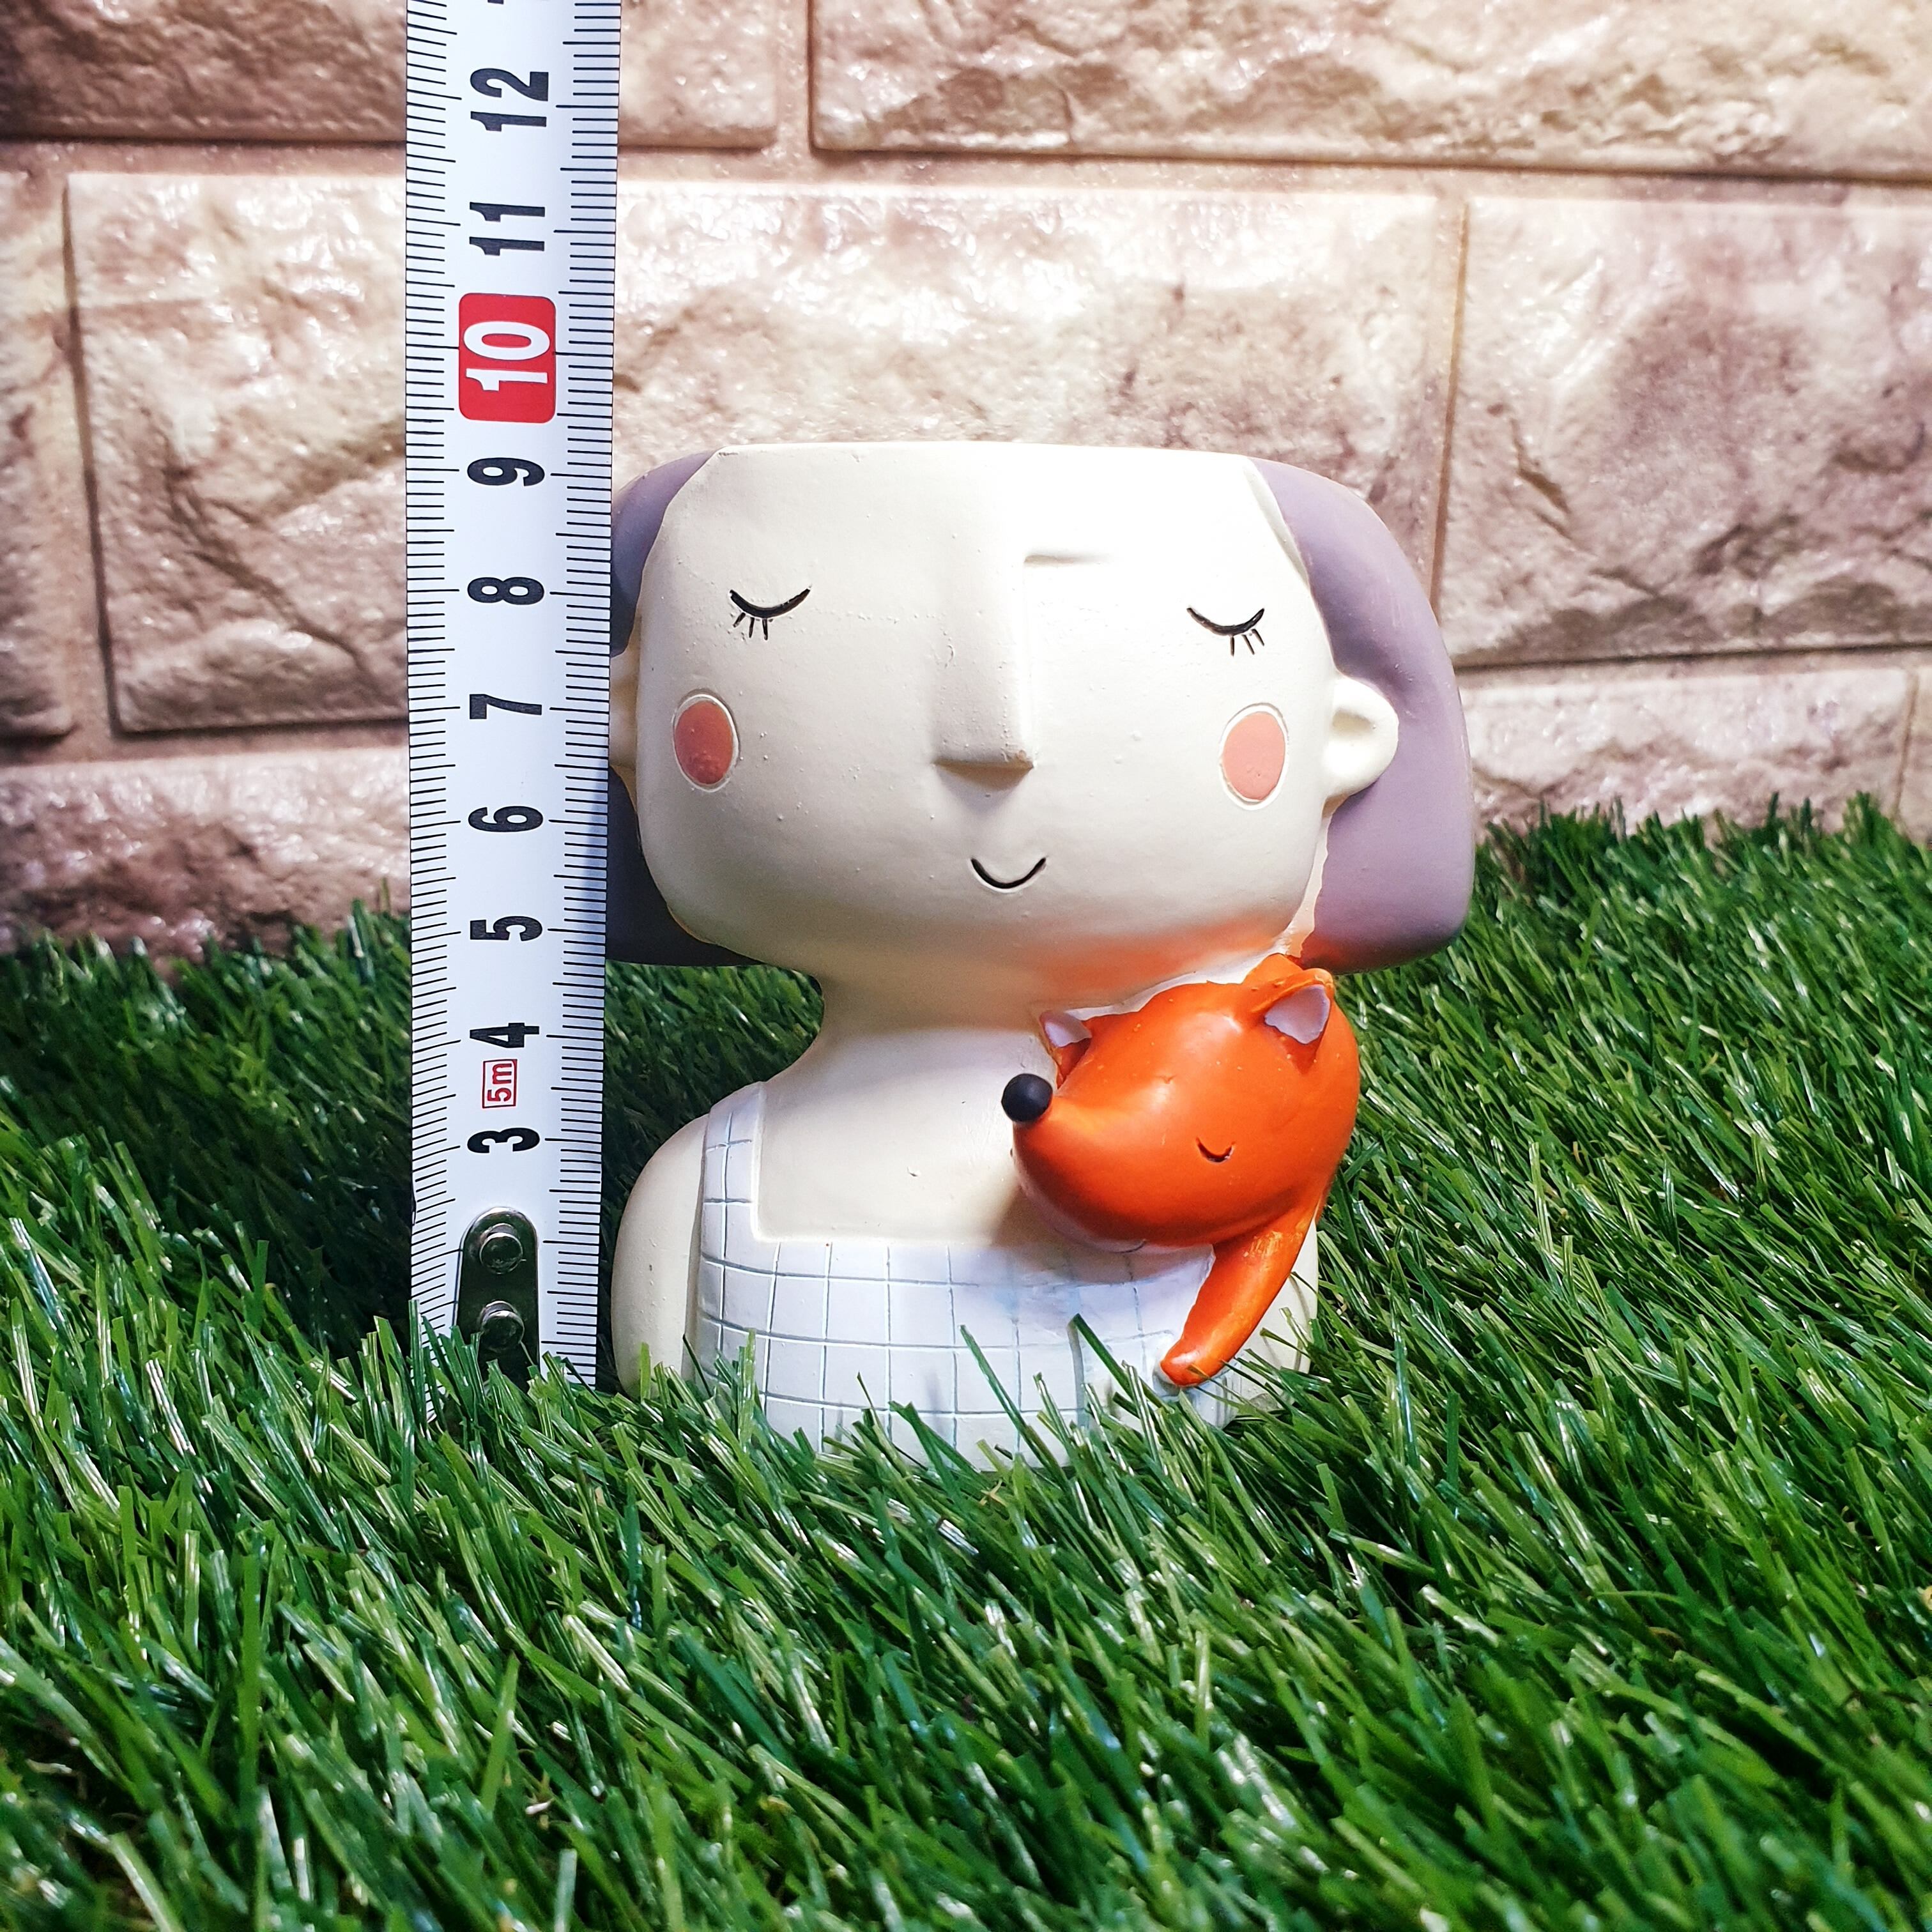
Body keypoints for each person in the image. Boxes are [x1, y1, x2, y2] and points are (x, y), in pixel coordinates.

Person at [606, 442, 1473, 1455]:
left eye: (1213, 632)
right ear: (629, 727)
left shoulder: (1233, 1183)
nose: (995, 737)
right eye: (770, 615)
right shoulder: (707, 1188)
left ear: (1344, 738)